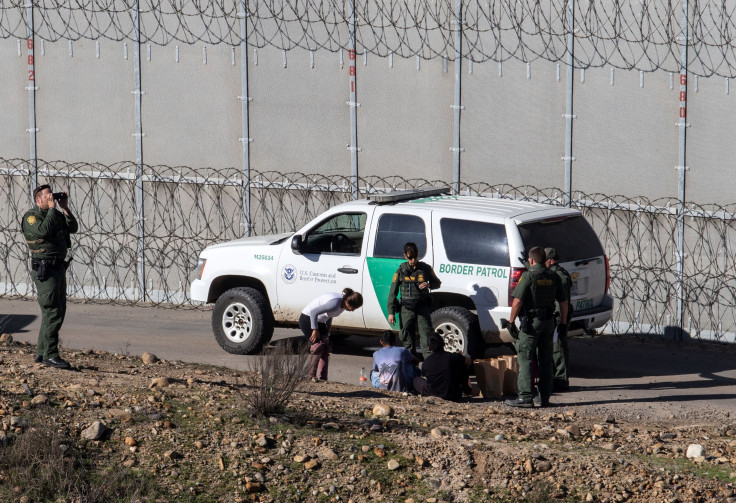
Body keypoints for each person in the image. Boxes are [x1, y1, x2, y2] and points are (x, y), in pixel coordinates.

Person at [21, 184, 78, 369]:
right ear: (38, 200)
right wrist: (53, 210)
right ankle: (51, 355)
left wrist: (65, 208)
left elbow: (73, 227)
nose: (51, 198)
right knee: (52, 310)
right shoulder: (32, 217)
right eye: (48, 196)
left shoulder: (56, 213)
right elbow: (43, 231)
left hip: (58, 268)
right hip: (45, 270)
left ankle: (41, 351)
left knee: (57, 310)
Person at [504, 246, 568, 408]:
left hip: (532, 323)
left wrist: (511, 322)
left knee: (525, 357)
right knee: (546, 360)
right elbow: (563, 302)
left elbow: (517, 301)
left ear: (531, 260)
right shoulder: (554, 276)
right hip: (549, 322)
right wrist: (563, 323)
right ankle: (544, 397)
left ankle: (525, 397)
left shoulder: (528, 276)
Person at [386, 242, 441, 359]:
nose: (413, 260)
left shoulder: (425, 269)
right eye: (410, 258)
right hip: (406, 309)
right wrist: (391, 312)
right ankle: (410, 364)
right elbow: (392, 293)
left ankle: (429, 364)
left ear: (418, 255)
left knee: (426, 336)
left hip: (422, 308)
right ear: (405, 256)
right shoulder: (400, 271)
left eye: (415, 257)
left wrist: (429, 285)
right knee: (406, 337)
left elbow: (437, 283)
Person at [299, 288, 363, 381]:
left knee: (326, 346)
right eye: (353, 308)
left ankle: (323, 378)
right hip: (307, 319)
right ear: (348, 302)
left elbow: (330, 314)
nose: (353, 310)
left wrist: (328, 325)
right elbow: (313, 312)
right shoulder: (335, 303)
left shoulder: (343, 304)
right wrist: (315, 329)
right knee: (318, 345)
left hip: (319, 321)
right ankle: (311, 376)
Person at [413, 332, 471, 402]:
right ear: (444, 344)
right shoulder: (454, 357)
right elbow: (468, 361)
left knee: (416, 380)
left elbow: (426, 376)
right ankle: (466, 389)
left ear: (429, 348)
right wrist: (460, 356)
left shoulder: (426, 362)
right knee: (462, 364)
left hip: (433, 394)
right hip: (454, 395)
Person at [546, 247, 573, 392]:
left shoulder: (560, 275)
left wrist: (562, 320)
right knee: (555, 347)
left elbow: (563, 301)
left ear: (550, 261)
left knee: (559, 348)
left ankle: (561, 380)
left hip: (559, 315)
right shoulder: (554, 272)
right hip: (556, 315)